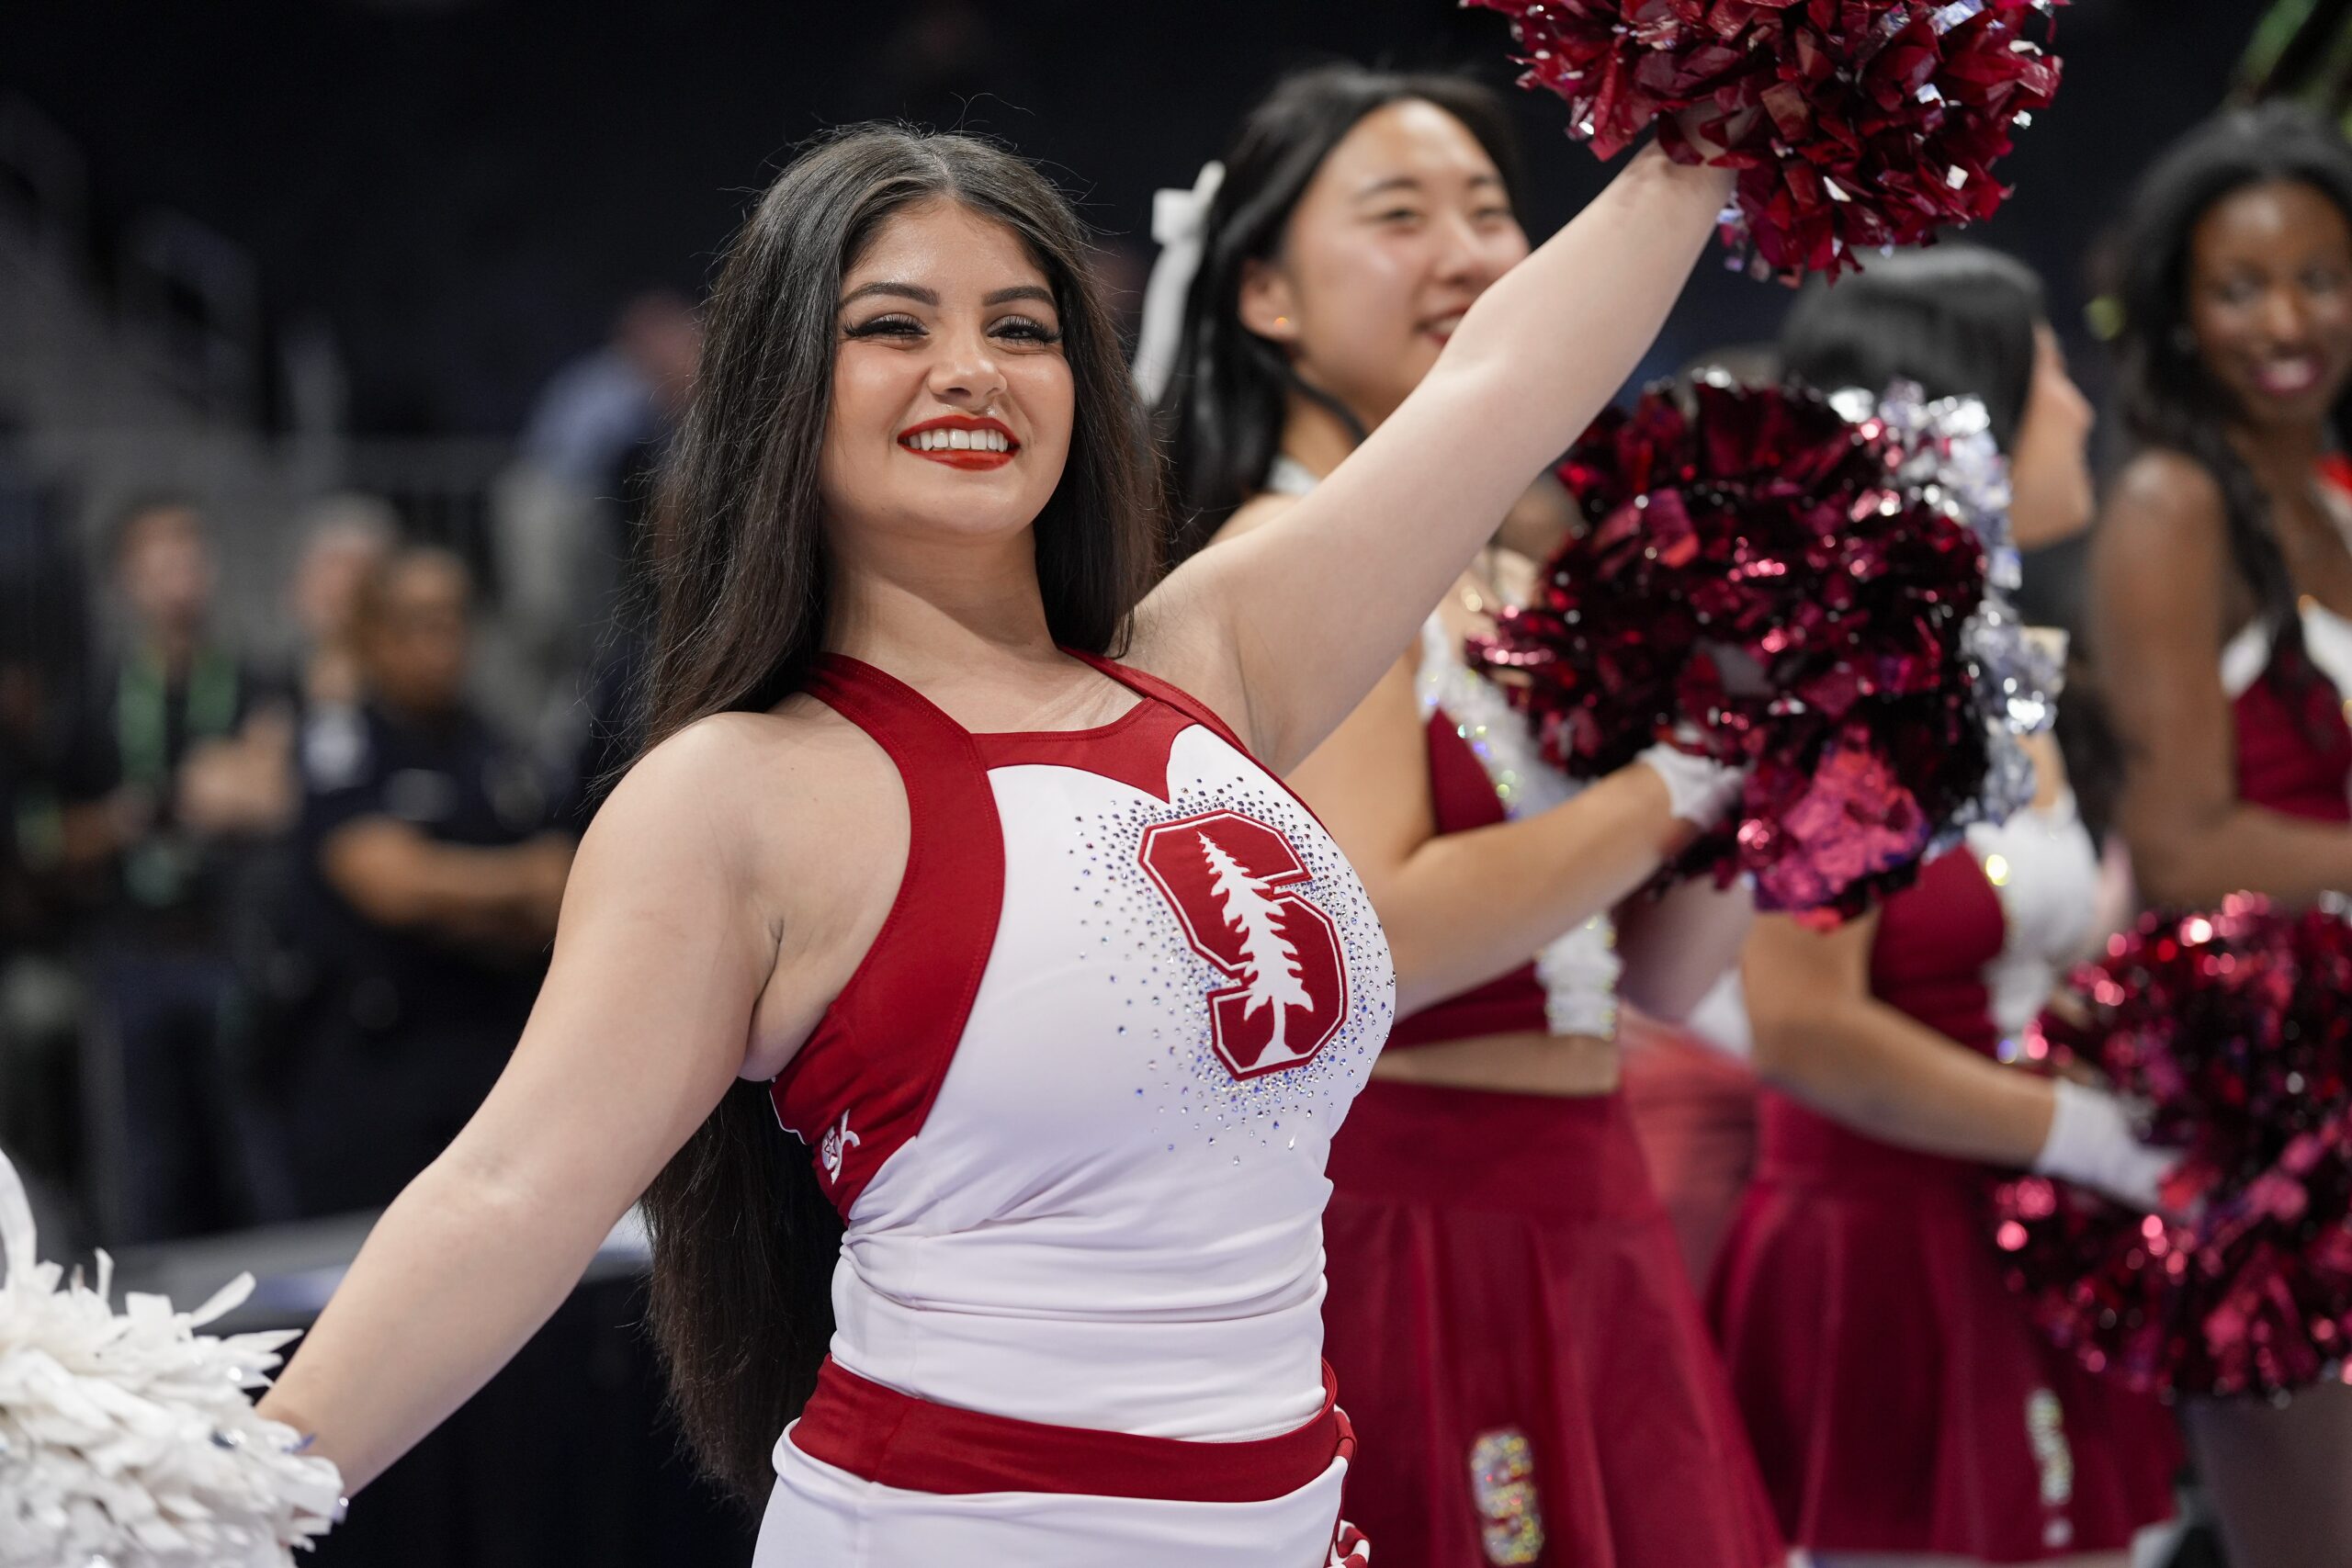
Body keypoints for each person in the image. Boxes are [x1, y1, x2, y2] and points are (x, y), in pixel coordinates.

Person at [254, 121, 1734, 1566]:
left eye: (1023, 327)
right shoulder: (735, 795)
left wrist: (1717, 127)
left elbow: (1501, 382)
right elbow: (507, 1197)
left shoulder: (1211, 663)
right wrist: (217, 1489)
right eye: (894, 323)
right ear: (780, 384)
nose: (972, 368)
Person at [1148, 64, 1779, 1568]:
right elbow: (1378, 934)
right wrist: (1672, 783)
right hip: (1416, 1223)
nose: (1468, 252)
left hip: (1590, 1206)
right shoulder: (1289, 566)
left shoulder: (1508, 581)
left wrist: (1780, 740)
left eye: (1492, 210)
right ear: (1266, 297)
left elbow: (1662, 984)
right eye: (1398, 214)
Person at [1708, 247, 2182, 1568]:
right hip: (1884, 1261)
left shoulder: (2010, 669)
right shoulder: (1851, 686)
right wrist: (2081, 1129)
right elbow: (1801, 1023)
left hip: (2029, 1227)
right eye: (2046, 377)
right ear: (1956, 418)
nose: (2083, 409)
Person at [2089, 102, 2352, 1568]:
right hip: (2275, 1098)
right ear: (2182, 313)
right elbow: (2183, 846)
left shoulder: (2328, 492)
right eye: (2241, 286)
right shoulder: (2169, 505)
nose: (2289, 321)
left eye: (2322, 275)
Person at [278, 545, 573, 1217]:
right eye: (421, 621)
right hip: (375, 1064)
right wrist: (508, 885)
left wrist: (450, 892)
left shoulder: (492, 744)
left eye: (456, 619)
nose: (445, 641)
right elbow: (385, 881)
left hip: (489, 1051)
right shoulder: (347, 738)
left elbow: (560, 889)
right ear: (376, 634)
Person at [68, 495, 295, 1240]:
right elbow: (57, 827)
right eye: (156, 560)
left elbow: (265, 792)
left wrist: (189, 796)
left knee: (255, 1152)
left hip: (229, 941)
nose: (177, 576)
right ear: (127, 580)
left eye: (188, 555)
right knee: (147, 1168)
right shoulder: (99, 692)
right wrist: (128, 818)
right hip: (134, 947)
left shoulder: (255, 678)